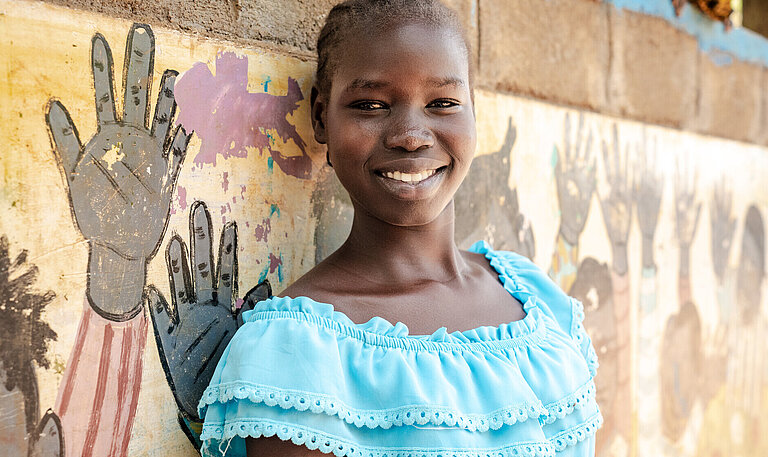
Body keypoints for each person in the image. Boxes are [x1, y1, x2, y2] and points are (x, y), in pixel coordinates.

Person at [198, 1, 601, 455]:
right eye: (370, 105)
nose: (411, 134)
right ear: (320, 117)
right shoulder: (299, 355)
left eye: (443, 103)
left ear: (473, 111)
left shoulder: (536, 304)